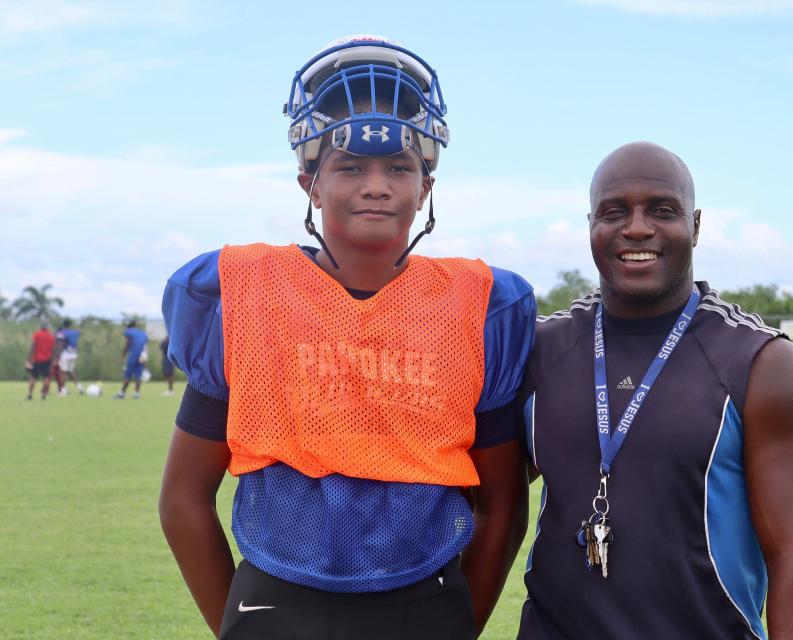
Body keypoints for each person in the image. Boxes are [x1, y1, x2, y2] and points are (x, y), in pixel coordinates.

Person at [159, 36, 535, 640]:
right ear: (309, 182)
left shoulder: (483, 303)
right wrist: (239, 620)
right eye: (351, 167)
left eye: (398, 168)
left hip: (427, 596)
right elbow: (182, 498)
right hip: (277, 593)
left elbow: (503, 504)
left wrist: (461, 624)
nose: (377, 186)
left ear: (426, 187)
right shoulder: (242, 290)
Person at [517, 142, 793, 639]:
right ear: (591, 225)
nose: (637, 228)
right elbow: (482, 503)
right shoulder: (539, 351)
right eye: (614, 211)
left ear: (697, 225)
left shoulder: (760, 362)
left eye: (662, 211)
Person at [115, 319, 148, 399]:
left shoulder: (128, 332)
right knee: (138, 376)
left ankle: (122, 393)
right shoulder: (143, 333)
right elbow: (145, 346)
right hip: (142, 356)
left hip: (134, 355)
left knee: (127, 375)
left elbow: (128, 343)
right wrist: (145, 357)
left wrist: (123, 356)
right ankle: (136, 394)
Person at [26, 319, 56, 400]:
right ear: (47, 327)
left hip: (36, 359)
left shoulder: (36, 334)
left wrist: (28, 358)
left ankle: (29, 395)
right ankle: (43, 394)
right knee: (46, 377)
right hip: (47, 359)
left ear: (40, 326)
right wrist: (54, 359)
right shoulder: (51, 336)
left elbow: (33, 346)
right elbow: (53, 349)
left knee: (33, 377)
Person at [53, 318, 82, 395]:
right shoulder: (75, 332)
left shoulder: (62, 333)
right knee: (71, 370)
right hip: (74, 353)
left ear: (63, 324)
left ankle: (63, 390)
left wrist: (56, 356)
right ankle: (79, 387)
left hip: (65, 353)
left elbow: (61, 344)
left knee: (62, 372)